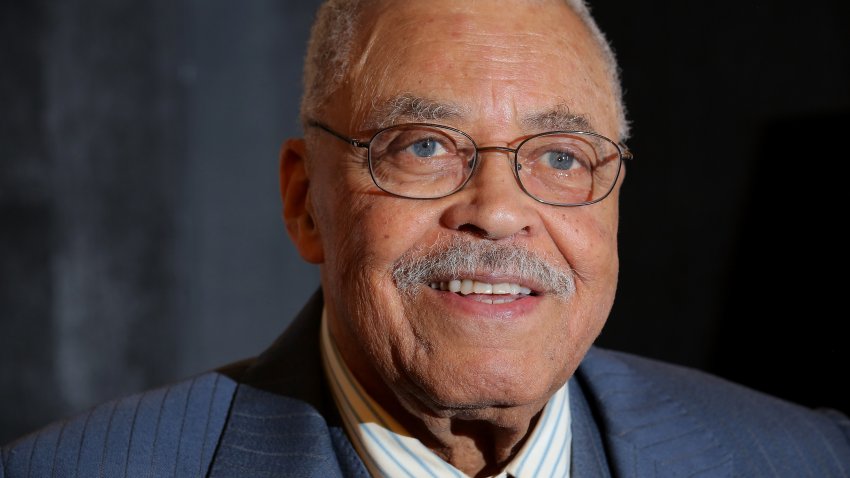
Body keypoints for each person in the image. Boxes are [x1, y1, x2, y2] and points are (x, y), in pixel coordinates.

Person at [3, 0, 849, 476]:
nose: (499, 209)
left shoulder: (804, 461)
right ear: (306, 203)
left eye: (560, 155)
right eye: (424, 147)